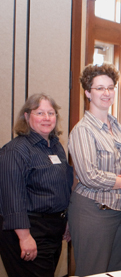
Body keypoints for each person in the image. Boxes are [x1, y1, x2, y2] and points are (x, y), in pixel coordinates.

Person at [0, 93, 73, 277]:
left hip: (52, 230)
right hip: (28, 229)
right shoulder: (15, 150)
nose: (47, 118)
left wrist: (65, 220)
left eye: (51, 113)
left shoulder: (56, 146)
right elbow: (11, 197)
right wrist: (24, 237)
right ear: (26, 116)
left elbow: (62, 187)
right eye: (40, 113)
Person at [68, 63, 121, 276]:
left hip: (120, 211)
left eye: (111, 87)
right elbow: (89, 175)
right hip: (93, 211)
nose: (107, 93)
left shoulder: (117, 126)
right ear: (87, 92)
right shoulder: (83, 130)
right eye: (100, 88)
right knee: (92, 273)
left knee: (115, 273)